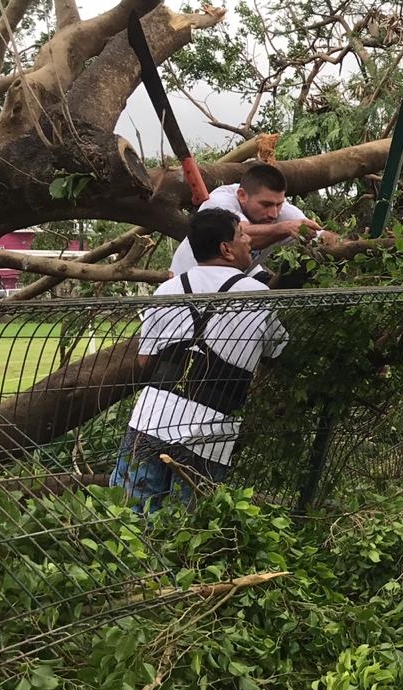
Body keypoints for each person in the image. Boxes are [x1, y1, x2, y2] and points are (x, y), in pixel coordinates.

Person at [111, 208, 289, 511]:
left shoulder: (167, 289)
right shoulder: (260, 296)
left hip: (151, 418)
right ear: (226, 248)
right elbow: (276, 350)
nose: (249, 240)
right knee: (190, 524)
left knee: (128, 513)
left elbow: (144, 360)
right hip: (212, 429)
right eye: (242, 234)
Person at [170, 163, 339, 277]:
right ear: (242, 196)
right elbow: (238, 235)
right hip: (188, 281)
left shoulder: (282, 212)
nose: (273, 213)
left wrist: (355, 246)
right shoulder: (220, 201)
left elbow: (321, 237)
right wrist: (281, 229)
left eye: (279, 204)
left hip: (235, 283)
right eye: (265, 204)